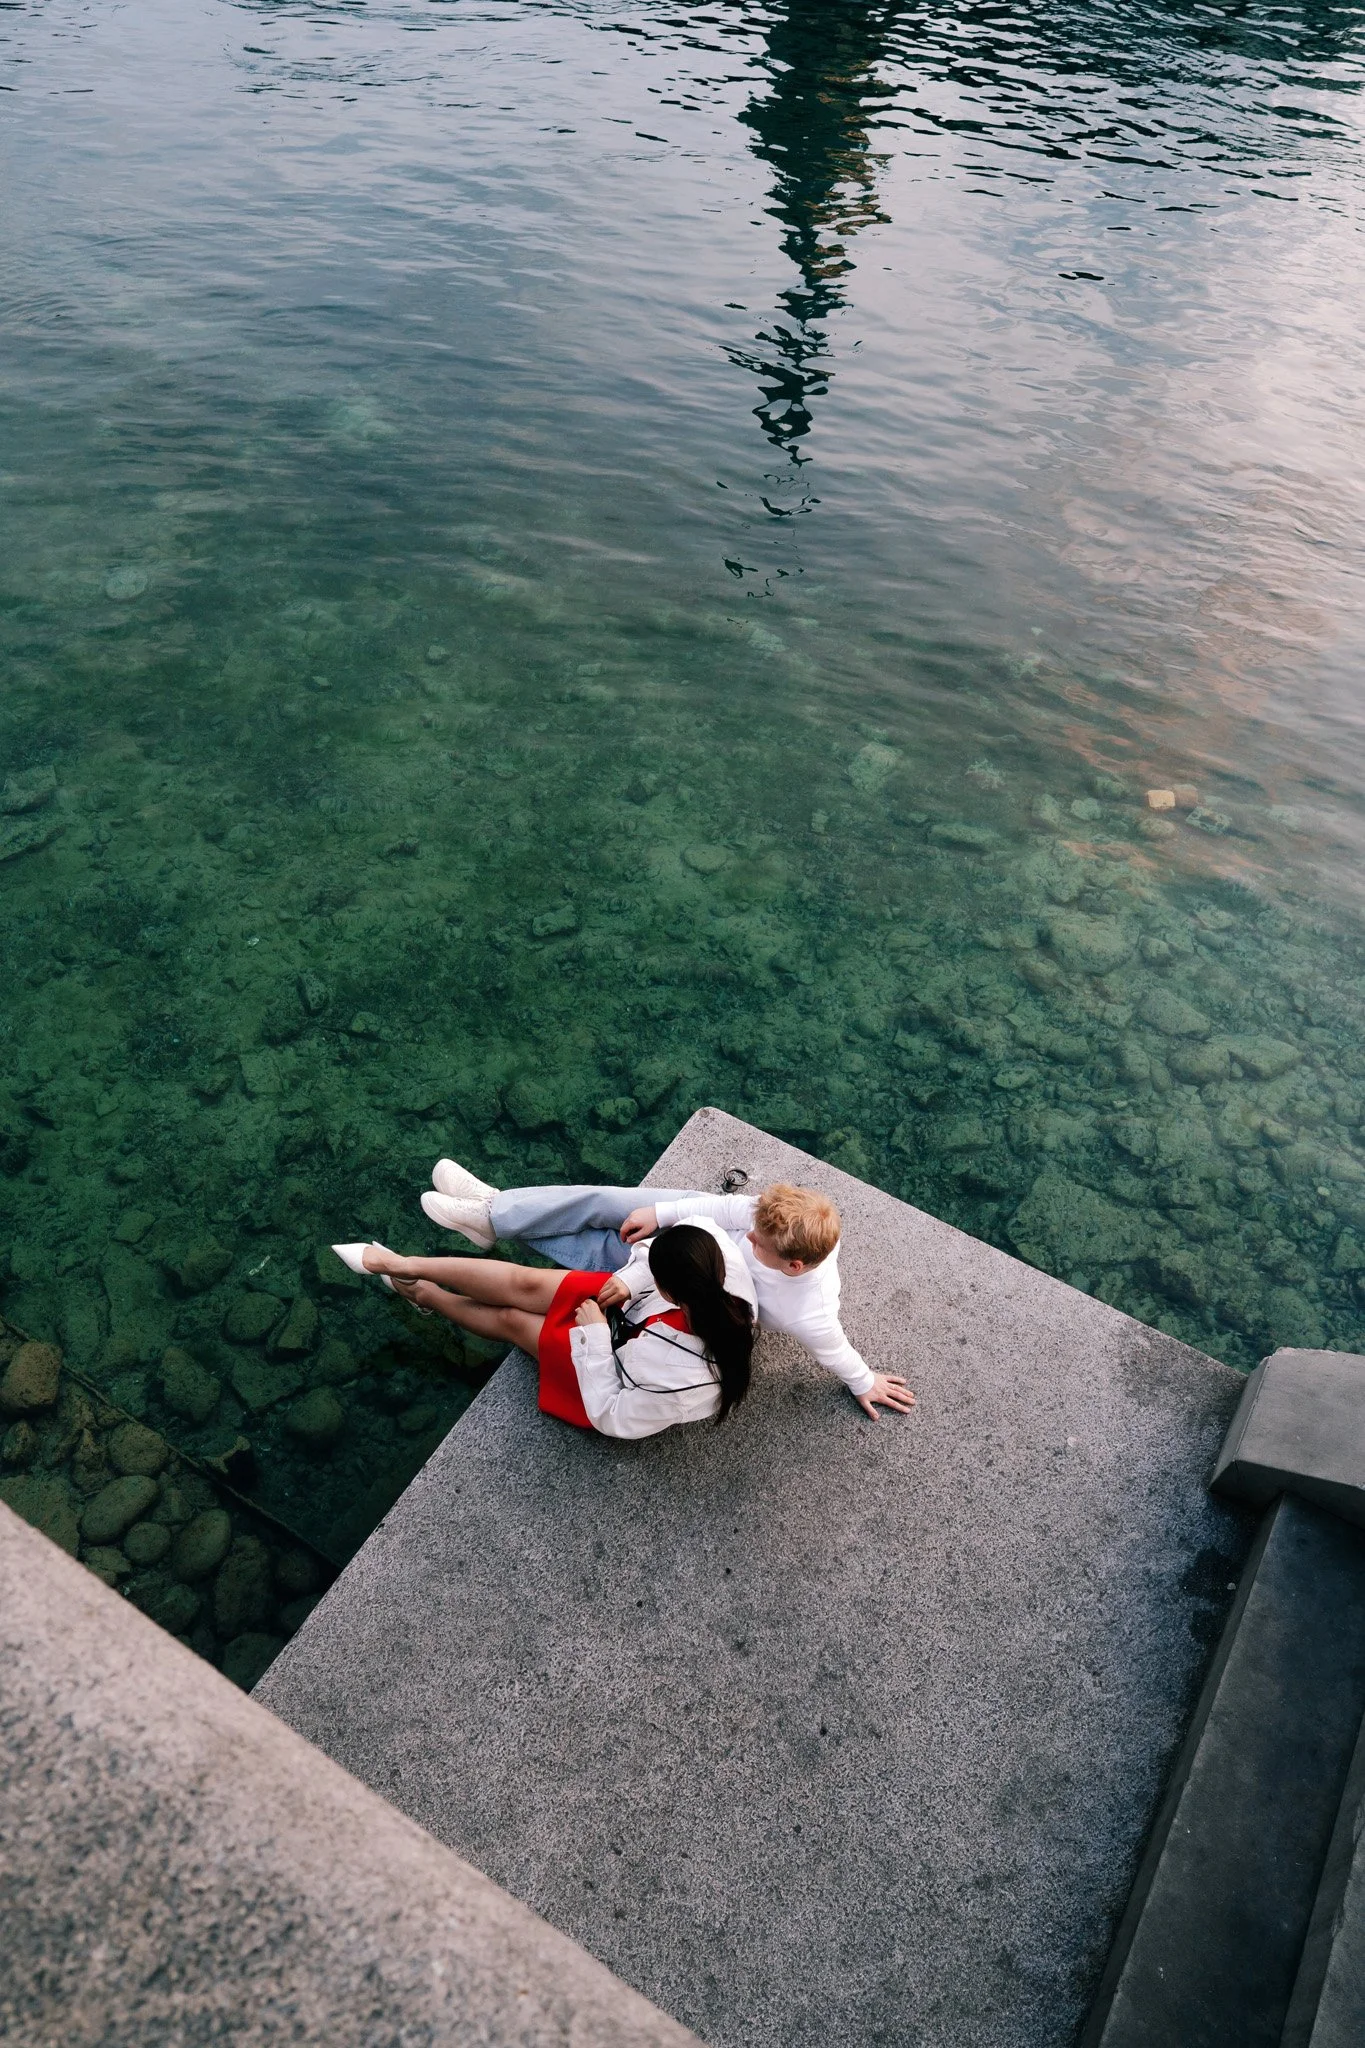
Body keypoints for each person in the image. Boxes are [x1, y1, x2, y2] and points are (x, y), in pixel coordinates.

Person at [418, 1162, 915, 1423]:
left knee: (595, 1252)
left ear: (795, 1265)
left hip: (694, 1277)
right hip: (694, 1230)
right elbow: (728, 1211)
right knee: (607, 1201)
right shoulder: (791, 1222)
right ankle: (495, 1211)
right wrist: (662, 1215)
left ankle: (494, 1215)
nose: (750, 1237)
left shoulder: (811, 1312)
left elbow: (835, 1350)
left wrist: (864, 1381)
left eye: (758, 1244)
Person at [332, 1213, 756, 1441]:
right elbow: (700, 1227)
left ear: (671, 1293)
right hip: (636, 1312)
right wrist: (631, 1279)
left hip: (611, 1375)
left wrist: (593, 1340)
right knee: (525, 1281)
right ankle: (404, 1265)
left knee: (514, 1322)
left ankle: (424, 1295)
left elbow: (614, 1415)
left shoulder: (678, 1378)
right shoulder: (719, 1267)